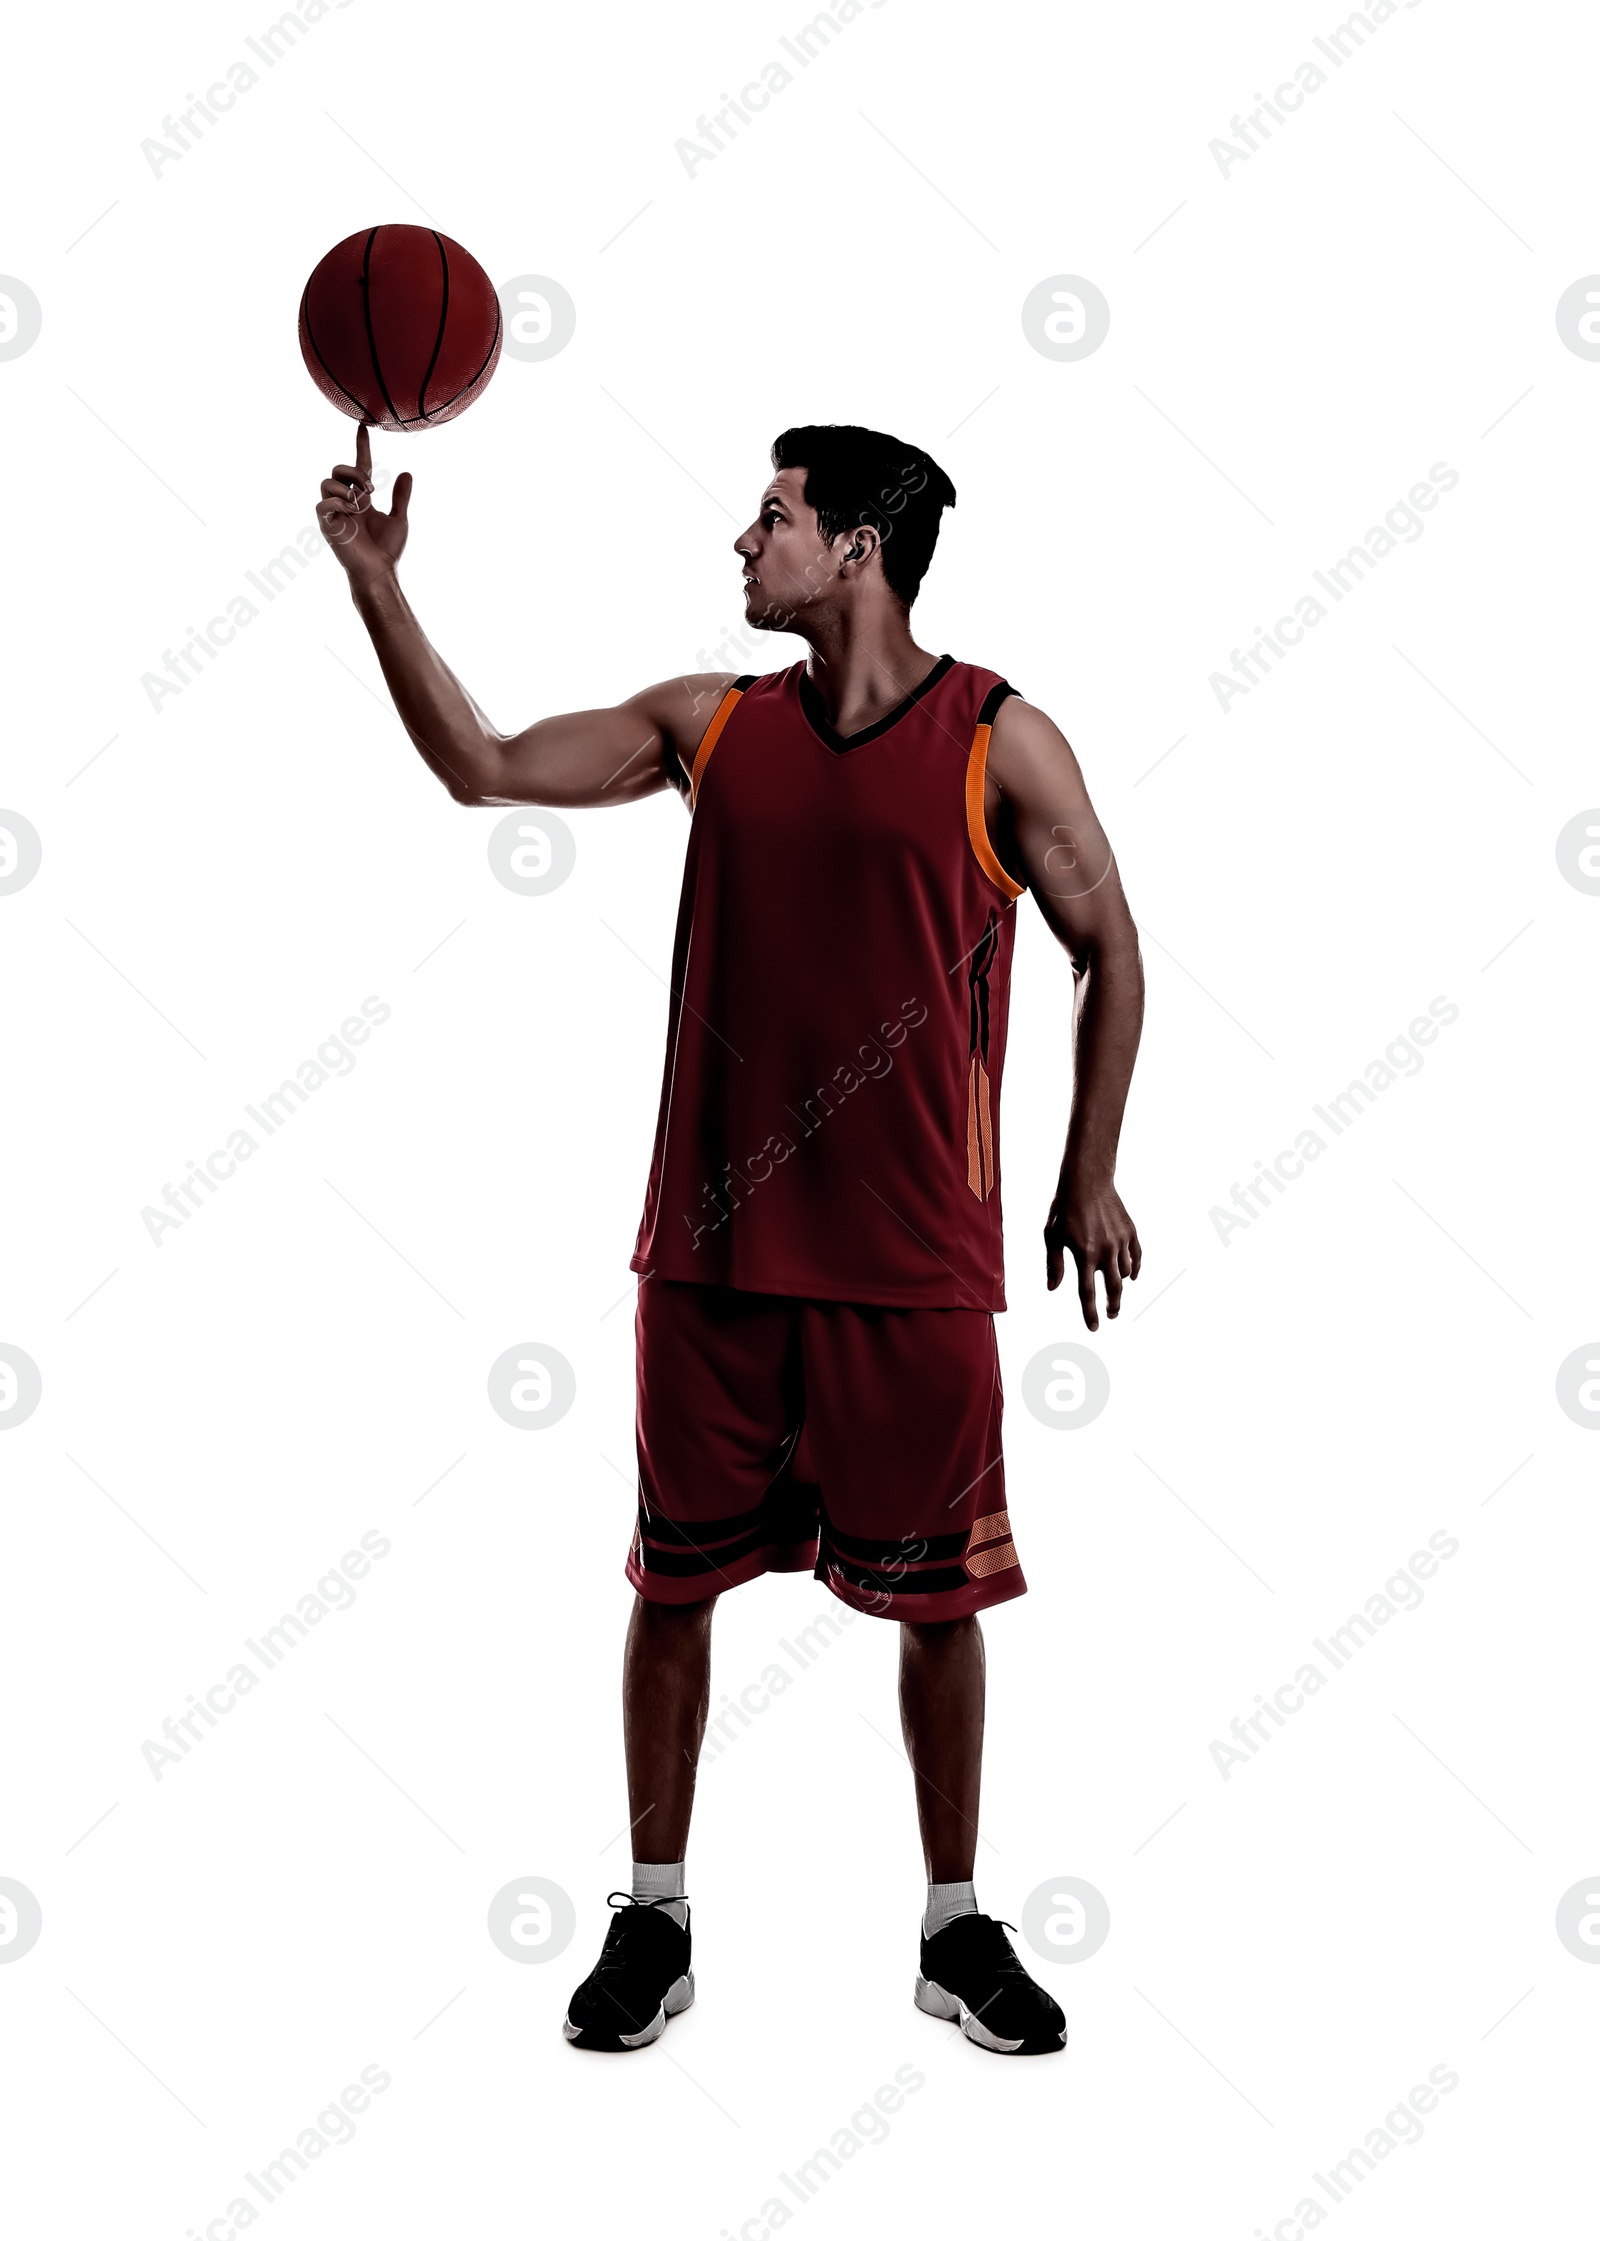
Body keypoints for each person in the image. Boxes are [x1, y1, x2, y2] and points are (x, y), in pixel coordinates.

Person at [317, 419, 1143, 2056]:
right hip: (711, 1251)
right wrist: (377, 593)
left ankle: (956, 1926)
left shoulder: (1002, 739)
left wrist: (1087, 1172)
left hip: (914, 1265)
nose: (742, 541)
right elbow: (485, 764)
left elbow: (1109, 945)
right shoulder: (714, 725)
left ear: (857, 547)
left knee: (940, 1605)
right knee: (673, 1586)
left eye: (771, 516)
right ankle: (654, 1913)